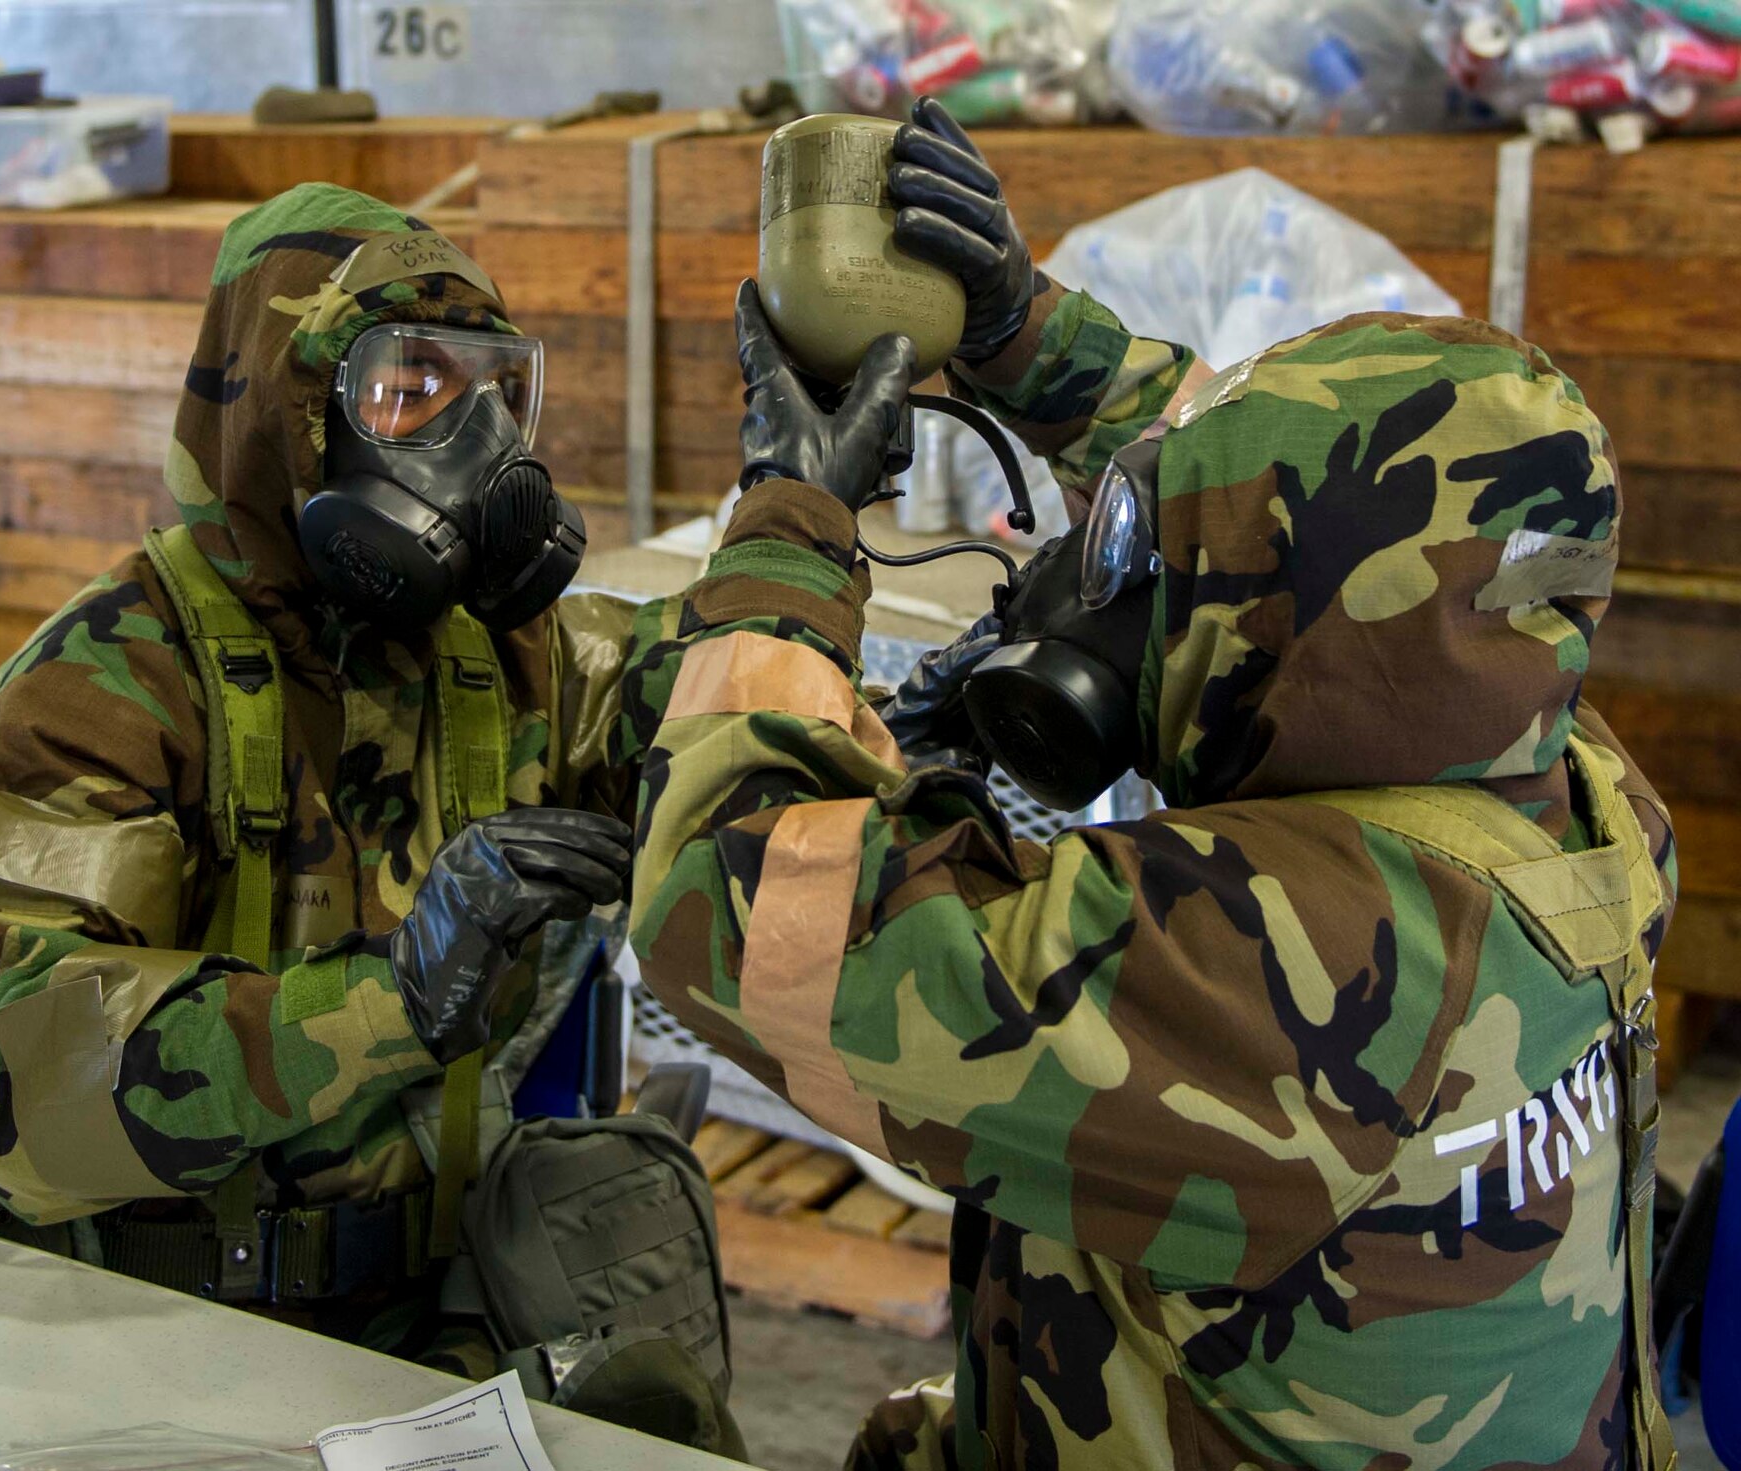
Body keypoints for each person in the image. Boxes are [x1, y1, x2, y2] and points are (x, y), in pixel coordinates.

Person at [623, 98, 1679, 1470]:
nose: (1114, 576)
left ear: (1293, 608)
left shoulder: (1266, 954)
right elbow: (1313, 490)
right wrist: (1026, 335)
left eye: (1149, 543)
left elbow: (726, 901)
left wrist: (790, 523)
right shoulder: (1583, 793)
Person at [0, 185, 647, 1372]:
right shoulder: (109, 680)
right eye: (412, 388)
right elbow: (16, 1073)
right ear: (288, 415)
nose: (479, 448)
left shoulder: (497, 651)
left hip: (423, 1309)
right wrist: (393, 997)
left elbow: (696, 699)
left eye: (496, 392)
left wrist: (815, 567)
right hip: (152, 1325)